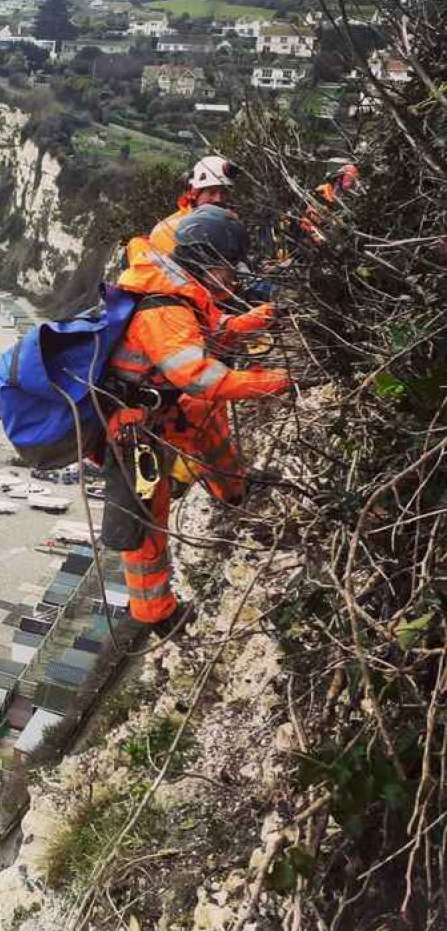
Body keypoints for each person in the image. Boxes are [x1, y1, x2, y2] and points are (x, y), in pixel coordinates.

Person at [101, 205, 291, 634]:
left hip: (155, 411)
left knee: (208, 420)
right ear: (207, 260)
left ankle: (235, 490)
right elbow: (201, 377)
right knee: (148, 520)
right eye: (228, 268)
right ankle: (156, 614)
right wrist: (279, 382)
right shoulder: (164, 307)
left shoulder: (180, 290)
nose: (233, 278)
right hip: (134, 430)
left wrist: (266, 316)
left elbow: (213, 333)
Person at [149, 155, 239, 255]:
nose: (218, 199)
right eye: (211, 192)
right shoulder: (168, 231)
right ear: (193, 193)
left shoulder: (230, 226)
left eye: (224, 193)